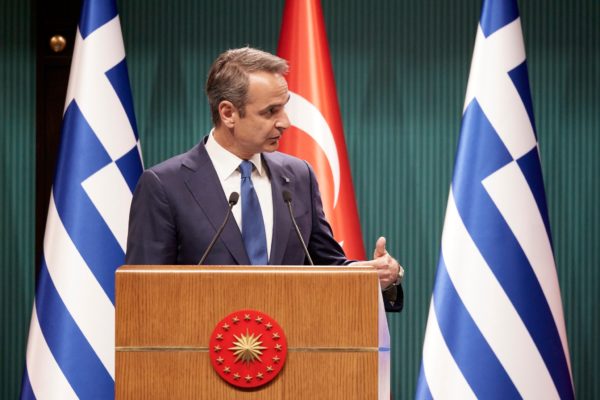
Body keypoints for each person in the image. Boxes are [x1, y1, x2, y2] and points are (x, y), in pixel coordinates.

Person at [126, 47, 404, 311]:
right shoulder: (164, 186)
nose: (285, 122)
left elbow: (325, 266)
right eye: (271, 111)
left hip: (289, 342)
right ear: (228, 113)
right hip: (203, 344)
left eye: (284, 107)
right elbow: (144, 293)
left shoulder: (298, 176)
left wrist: (373, 275)